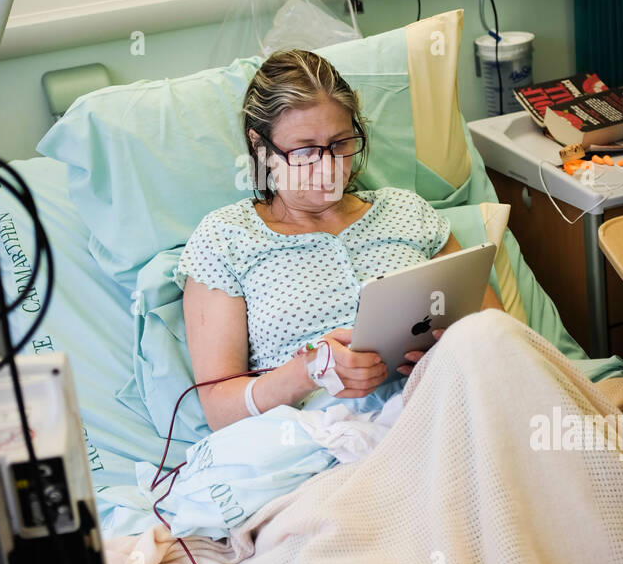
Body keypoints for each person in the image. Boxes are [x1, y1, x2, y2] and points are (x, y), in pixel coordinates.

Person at [174, 48, 502, 432]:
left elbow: (498, 332)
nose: (328, 168)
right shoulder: (226, 240)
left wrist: (452, 349)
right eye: (305, 151)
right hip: (319, 445)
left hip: (449, 412)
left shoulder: (407, 213)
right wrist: (308, 372)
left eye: (341, 144)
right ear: (261, 147)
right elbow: (219, 410)